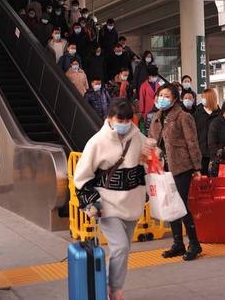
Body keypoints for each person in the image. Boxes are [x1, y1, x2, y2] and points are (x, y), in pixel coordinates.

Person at [74, 99, 149, 300]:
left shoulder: (138, 137)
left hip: (132, 201)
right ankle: (114, 290)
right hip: (106, 204)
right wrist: (91, 202)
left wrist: (153, 158)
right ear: (109, 118)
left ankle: (112, 287)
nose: (124, 123)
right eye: (119, 119)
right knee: (120, 247)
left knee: (123, 251)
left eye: (127, 119)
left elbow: (147, 163)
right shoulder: (97, 142)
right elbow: (81, 176)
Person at [148, 84, 202, 261]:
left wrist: (197, 167)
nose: (162, 98)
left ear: (174, 99)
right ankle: (178, 244)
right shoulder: (157, 116)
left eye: (166, 95)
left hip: (181, 166)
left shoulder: (183, 117)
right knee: (170, 205)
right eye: (160, 94)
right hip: (162, 167)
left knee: (181, 205)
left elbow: (192, 142)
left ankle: (194, 244)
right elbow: (152, 141)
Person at [194, 89, 221, 176]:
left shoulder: (220, 114)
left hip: (216, 152)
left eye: (204, 97)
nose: (202, 99)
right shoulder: (196, 113)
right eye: (202, 97)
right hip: (201, 152)